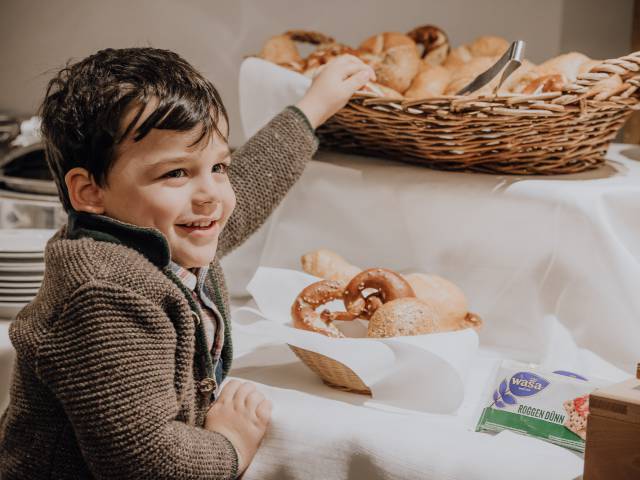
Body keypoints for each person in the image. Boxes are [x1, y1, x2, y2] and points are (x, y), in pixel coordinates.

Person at [0, 46, 374, 479]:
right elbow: (146, 464)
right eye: (175, 173)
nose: (211, 193)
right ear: (89, 192)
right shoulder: (104, 296)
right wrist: (229, 445)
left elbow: (249, 188)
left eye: (218, 166)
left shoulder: (154, 235)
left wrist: (310, 110)